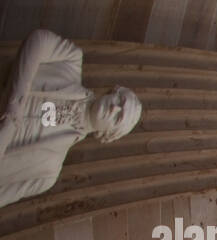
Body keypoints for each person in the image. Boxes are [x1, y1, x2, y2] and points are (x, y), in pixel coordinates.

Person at [0, 29, 142, 208]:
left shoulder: (47, 174)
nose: (114, 107)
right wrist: (14, 105)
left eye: (118, 117)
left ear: (108, 134)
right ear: (112, 91)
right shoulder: (71, 61)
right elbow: (38, 40)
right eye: (120, 100)